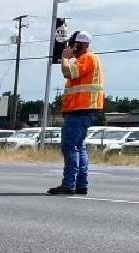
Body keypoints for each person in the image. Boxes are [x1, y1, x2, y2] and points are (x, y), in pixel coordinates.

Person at [48, 31, 104, 196]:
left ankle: (69, 184)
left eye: (73, 44)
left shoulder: (87, 58)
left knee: (69, 146)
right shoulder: (84, 59)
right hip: (82, 108)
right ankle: (81, 184)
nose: (71, 47)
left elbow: (68, 72)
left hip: (81, 109)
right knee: (79, 146)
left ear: (81, 44)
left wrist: (64, 57)